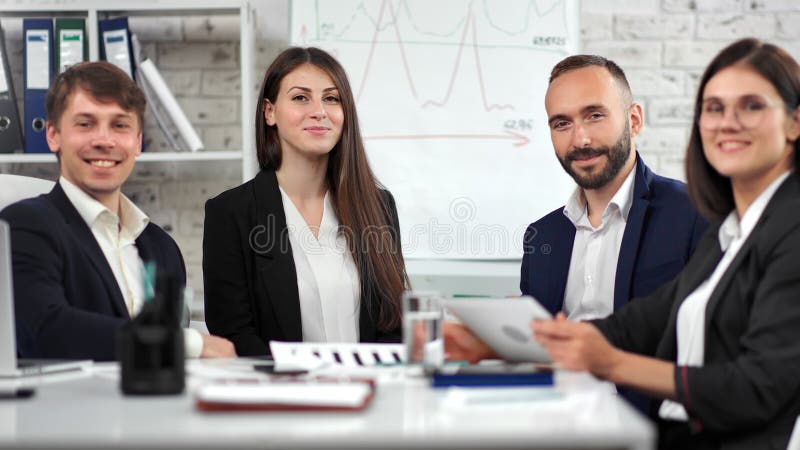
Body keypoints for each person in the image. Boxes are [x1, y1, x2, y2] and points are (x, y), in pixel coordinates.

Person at [533, 38, 800, 449]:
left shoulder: (785, 225)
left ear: (795, 121)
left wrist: (612, 365)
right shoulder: (735, 230)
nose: (727, 122)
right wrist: (507, 340)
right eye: (714, 108)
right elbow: (646, 319)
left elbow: (758, 386)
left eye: (751, 105)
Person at [446, 55, 706, 362]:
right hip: (555, 402)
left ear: (634, 120)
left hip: (644, 404)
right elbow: (535, 345)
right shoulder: (542, 235)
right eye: (562, 123)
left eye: (594, 116)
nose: (580, 139)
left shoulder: (692, 214)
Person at [0, 61, 235, 361]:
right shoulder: (23, 227)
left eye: (120, 125)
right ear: (53, 135)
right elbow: (47, 331)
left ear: (137, 143)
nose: (104, 140)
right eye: (85, 124)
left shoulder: (162, 248)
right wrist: (189, 343)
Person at [203, 47, 409, 356]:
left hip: (368, 393)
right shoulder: (230, 213)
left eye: (331, 98)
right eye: (301, 98)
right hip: (279, 396)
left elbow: (393, 324)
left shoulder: (378, 205)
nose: (319, 111)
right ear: (269, 112)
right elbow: (234, 335)